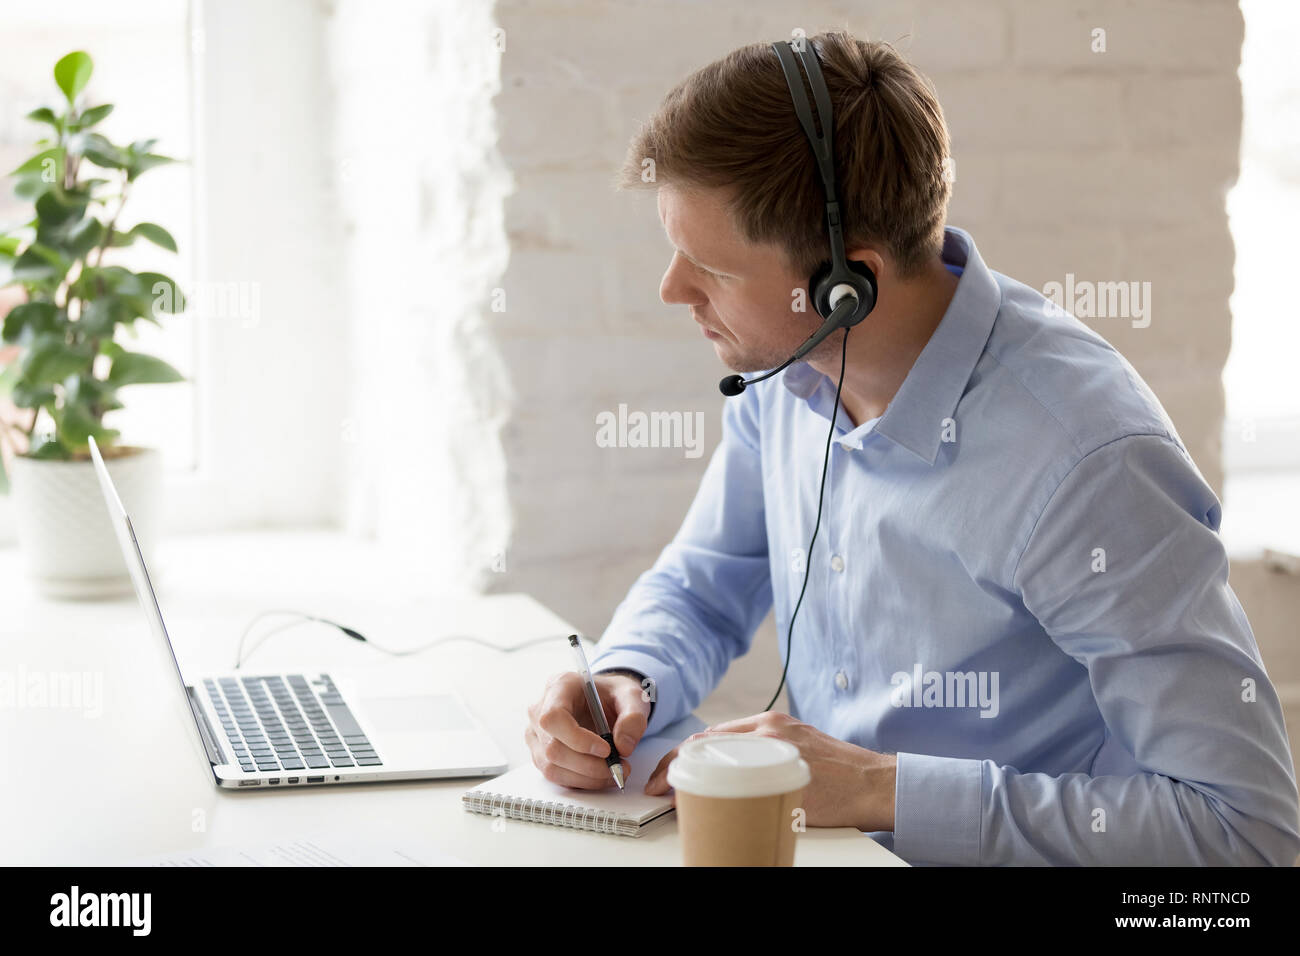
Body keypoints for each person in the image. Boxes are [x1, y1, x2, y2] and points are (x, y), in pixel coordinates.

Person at [524, 30, 1300, 865]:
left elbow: (1246, 832)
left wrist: (877, 787)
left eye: (708, 267)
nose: (670, 289)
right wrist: (628, 678)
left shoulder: (1087, 461)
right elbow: (705, 585)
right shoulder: (788, 374)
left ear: (843, 285)